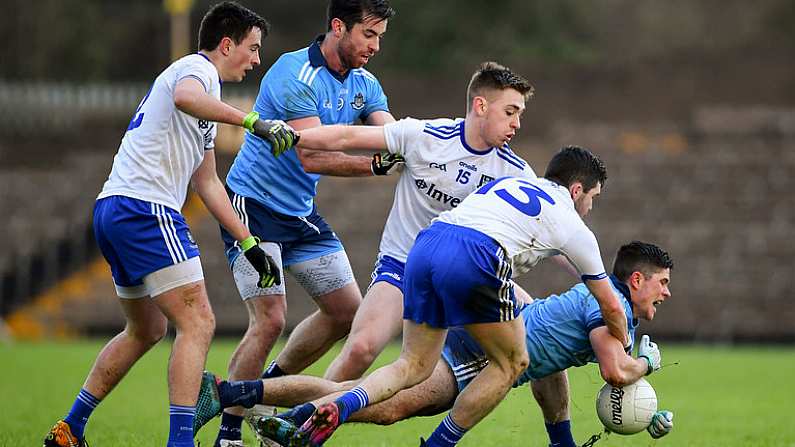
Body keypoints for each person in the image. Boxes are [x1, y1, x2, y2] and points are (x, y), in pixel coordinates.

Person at [42, 3, 297, 447]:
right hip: (146, 208)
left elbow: (208, 184)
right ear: (226, 44)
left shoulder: (204, 100)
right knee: (198, 322)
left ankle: (71, 427)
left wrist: (250, 243)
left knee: (147, 330)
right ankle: (181, 441)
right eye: (253, 49)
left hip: (115, 208)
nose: (257, 60)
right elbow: (186, 97)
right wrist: (253, 120)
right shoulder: (198, 70)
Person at [287, 146, 631, 446]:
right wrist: (627, 348)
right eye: (592, 198)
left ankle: (316, 409)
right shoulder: (572, 224)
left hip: (426, 244)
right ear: (576, 190)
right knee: (513, 361)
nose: (590, 208)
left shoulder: (510, 183)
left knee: (411, 366)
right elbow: (610, 303)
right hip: (477, 256)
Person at [208, 241, 676, 446]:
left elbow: (550, 368)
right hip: (477, 354)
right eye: (662, 283)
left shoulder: (614, 307)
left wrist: (643, 412)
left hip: (490, 341)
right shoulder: (610, 309)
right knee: (381, 405)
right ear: (637, 280)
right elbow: (615, 372)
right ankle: (237, 397)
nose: (667, 293)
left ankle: (235, 396)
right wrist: (647, 366)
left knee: (374, 396)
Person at [276, 61, 539, 383]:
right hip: (403, 264)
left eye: (520, 114)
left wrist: (595, 283)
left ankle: (560, 434)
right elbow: (347, 136)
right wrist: (291, 135)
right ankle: (300, 428)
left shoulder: (516, 173)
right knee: (361, 348)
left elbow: (553, 228)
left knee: (538, 327)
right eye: (510, 112)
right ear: (481, 105)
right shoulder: (424, 136)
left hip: (466, 275)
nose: (517, 124)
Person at [214, 1, 398, 445]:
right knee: (270, 320)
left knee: (347, 313)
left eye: (380, 37)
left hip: (301, 212)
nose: (375, 46)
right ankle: (228, 432)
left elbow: (393, 135)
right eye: (368, 35)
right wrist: (374, 166)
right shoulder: (293, 74)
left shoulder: (365, 83)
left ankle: (267, 389)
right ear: (338, 27)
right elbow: (311, 154)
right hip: (252, 206)